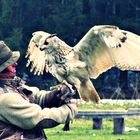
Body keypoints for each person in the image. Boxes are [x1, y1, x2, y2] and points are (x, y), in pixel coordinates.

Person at [0, 41, 78, 140]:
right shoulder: (4, 98)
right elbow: (40, 119)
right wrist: (70, 109)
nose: (15, 63)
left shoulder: (10, 85)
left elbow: (34, 96)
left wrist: (57, 93)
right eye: (9, 63)